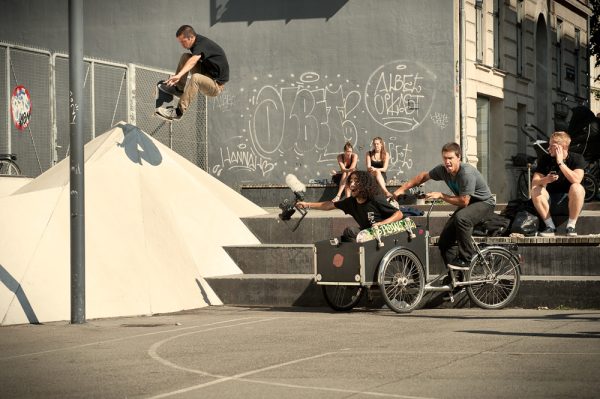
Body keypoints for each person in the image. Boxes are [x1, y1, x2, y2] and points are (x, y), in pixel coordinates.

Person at [393, 142, 495, 269]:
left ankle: (466, 258)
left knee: (462, 218)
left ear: (459, 157)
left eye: (450, 158)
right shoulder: (443, 170)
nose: (447, 162)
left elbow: (464, 201)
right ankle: (455, 277)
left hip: (485, 203)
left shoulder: (466, 173)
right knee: (444, 241)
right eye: (445, 158)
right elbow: (423, 176)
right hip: (469, 205)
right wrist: (401, 189)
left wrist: (441, 195)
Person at [297, 170, 403, 241]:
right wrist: (307, 204)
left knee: (351, 231)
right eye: (350, 181)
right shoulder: (351, 202)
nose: (352, 184)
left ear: (364, 184)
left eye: (356, 181)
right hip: (367, 235)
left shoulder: (375, 199)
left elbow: (399, 214)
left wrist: (381, 223)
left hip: (384, 235)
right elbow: (328, 205)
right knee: (347, 234)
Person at [155, 25, 229, 121]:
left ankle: (178, 112)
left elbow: (194, 60)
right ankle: (178, 89)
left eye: (183, 41)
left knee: (196, 77)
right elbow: (191, 60)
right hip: (207, 75)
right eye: (180, 42)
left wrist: (179, 75)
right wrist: (179, 76)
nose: (182, 45)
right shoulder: (196, 43)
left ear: (190, 37)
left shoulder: (201, 44)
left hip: (215, 86)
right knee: (186, 57)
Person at [531, 131, 586, 237]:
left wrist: (560, 163)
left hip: (572, 202)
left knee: (577, 187)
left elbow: (577, 179)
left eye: (552, 146)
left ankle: (571, 226)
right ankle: (550, 226)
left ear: (562, 147)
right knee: (536, 189)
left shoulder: (577, 158)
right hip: (550, 202)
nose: (548, 148)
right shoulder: (545, 159)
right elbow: (534, 182)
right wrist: (546, 179)